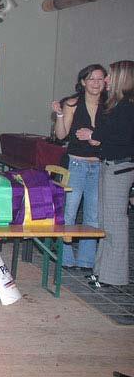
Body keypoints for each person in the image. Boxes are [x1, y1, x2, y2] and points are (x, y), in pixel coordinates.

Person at [78, 60, 134, 288]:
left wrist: (95, 136)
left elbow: (122, 138)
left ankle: (113, 276)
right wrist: (96, 137)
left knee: (115, 224)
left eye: (110, 75)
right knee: (105, 222)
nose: (106, 80)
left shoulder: (127, 107)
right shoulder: (118, 104)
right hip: (110, 165)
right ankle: (101, 271)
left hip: (120, 168)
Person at [51, 64, 106, 272]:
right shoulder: (72, 103)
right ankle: (65, 258)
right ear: (83, 82)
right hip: (76, 164)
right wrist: (59, 115)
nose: (96, 83)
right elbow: (61, 135)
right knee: (70, 212)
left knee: (93, 215)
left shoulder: (109, 106)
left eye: (100, 79)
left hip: (99, 165)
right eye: (91, 79)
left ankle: (86, 261)